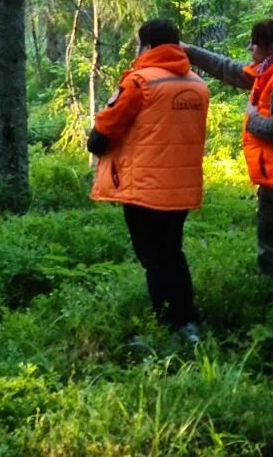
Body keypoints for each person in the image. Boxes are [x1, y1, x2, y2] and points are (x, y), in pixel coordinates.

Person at [184, 19, 273, 317]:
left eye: (254, 43)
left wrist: (250, 118)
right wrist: (190, 52)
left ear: (271, 48)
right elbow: (230, 70)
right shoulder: (272, 71)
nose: (250, 48)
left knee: (272, 254)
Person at [88, 19, 209, 344]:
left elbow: (103, 133)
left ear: (149, 46)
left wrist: (96, 142)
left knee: (154, 260)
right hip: (182, 188)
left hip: (144, 190)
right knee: (173, 253)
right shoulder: (197, 85)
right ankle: (189, 323)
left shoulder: (140, 82)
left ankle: (168, 327)